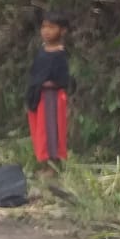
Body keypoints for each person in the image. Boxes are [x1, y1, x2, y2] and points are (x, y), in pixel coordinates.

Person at [27, 11, 73, 169]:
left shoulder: (60, 54)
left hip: (51, 98)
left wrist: (45, 84)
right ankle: (43, 163)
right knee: (40, 131)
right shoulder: (42, 51)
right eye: (44, 27)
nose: (46, 31)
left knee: (51, 130)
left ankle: (52, 166)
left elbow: (62, 80)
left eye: (51, 27)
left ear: (63, 30)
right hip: (38, 97)